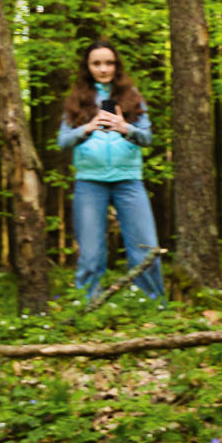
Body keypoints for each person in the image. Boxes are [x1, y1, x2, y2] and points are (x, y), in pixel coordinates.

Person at [56, 41, 164, 303]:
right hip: (89, 182)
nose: (103, 69)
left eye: (109, 63)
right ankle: (87, 308)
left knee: (145, 247)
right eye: (96, 63)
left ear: (117, 66)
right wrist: (88, 128)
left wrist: (125, 128)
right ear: (88, 67)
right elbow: (63, 141)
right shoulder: (77, 98)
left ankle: (151, 306)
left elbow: (148, 138)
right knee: (91, 252)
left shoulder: (133, 96)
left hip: (129, 180)